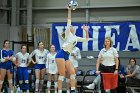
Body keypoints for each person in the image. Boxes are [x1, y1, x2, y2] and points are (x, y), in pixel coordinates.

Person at [55, 7, 89, 93]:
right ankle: (59, 91)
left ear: (74, 29)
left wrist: (86, 31)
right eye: (70, 26)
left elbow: (86, 40)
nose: (71, 27)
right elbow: (69, 20)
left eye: (72, 26)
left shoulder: (76, 37)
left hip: (66, 56)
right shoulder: (67, 33)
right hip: (60, 54)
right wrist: (69, 10)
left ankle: (73, 90)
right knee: (62, 75)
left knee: (73, 73)